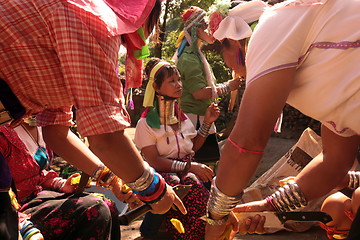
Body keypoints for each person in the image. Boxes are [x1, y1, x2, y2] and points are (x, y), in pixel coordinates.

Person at [0, 0, 186, 223]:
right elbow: (105, 137)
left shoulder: (79, 15)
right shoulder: (94, 18)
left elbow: (57, 133)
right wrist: (154, 189)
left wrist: (112, 177)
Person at [200, 0, 360, 239]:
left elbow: (246, 143)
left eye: (222, 54)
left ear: (233, 42)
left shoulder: (270, 28)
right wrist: (271, 205)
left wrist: (216, 218)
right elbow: (334, 161)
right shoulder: (325, 62)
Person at [0, 119, 142, 239]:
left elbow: (38, 175)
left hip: (38, 197)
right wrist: (23, 227)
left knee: (108, 206)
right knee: (94, 208)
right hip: (11, 211)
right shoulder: (3, 133)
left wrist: (61, 184)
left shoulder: (43, 126)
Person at [134, 58, 219, 240]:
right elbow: (155, 161)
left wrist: (207, 122)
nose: (178, 84)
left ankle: (192, 231)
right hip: (162, 171)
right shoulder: (146, 124)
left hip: (187, 167)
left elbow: (193, 146)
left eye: (179, 79)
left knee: (209, 184)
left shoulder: (182, 118)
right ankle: (151, 231)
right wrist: (190, 167)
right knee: (177, 181)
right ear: (156, 87)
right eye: (171, 81)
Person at [174, 6, 241, 166]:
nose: (211, 30)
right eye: (206, 26)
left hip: (202, 118)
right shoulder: (190, 58)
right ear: (197, 29)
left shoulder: (196, 55)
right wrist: (228, 87)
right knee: (198, 169)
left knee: (206, 168)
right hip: (194, 121)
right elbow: (199, 93)